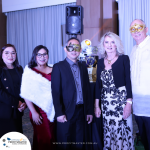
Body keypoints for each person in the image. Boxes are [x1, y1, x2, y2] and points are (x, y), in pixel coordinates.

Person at [51, 37, 93, 150]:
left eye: (77, 47)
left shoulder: (83, 67)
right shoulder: (58, 67)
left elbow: (87, 91)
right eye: (71, 47)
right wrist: (59, 113)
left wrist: (89, 111)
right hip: (66, 111)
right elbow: (55, 92)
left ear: (80, 50)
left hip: (81, 111)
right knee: (65, 142)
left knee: (79, 142)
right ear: (65, 49)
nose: (74, 50)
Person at [95, 32, 134, 150]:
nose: (110, 45)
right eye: (107, 42)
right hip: (106, 104)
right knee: (109, 130)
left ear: (117, 44)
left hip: (121, 102)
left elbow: (128, 82)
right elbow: (97, 85)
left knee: (122, 130)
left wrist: (129, 103)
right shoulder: (100, 62)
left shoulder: (124, 59)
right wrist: (96, 106)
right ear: (103, 44)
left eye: (112, 42)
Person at [20, 45, 55, 150]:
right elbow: (26, 93)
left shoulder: (54, 69)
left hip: (53, 109)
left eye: (44, 54)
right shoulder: (30, 71)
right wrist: (33, 112)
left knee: (53, 137)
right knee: (45, 138)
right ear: (35, 56)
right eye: (39, 54)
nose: (42, 57)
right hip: (38, 111)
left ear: (48, 56)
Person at [130, 19, 150, 150]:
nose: (136, 31)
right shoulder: (133, 50)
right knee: (144, 139)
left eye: (139, 27)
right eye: (133, 28)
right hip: (137, 105)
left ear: (146, 29)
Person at [0, 44, 26, 138]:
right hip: (4, 112)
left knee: (17, 140)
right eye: (6, 53)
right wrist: (16, 103)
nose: (10, 56)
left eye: (13, 53)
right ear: (1, 55)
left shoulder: (19, 69)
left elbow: (23, 88)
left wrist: (23, 103)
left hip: (17, 111)